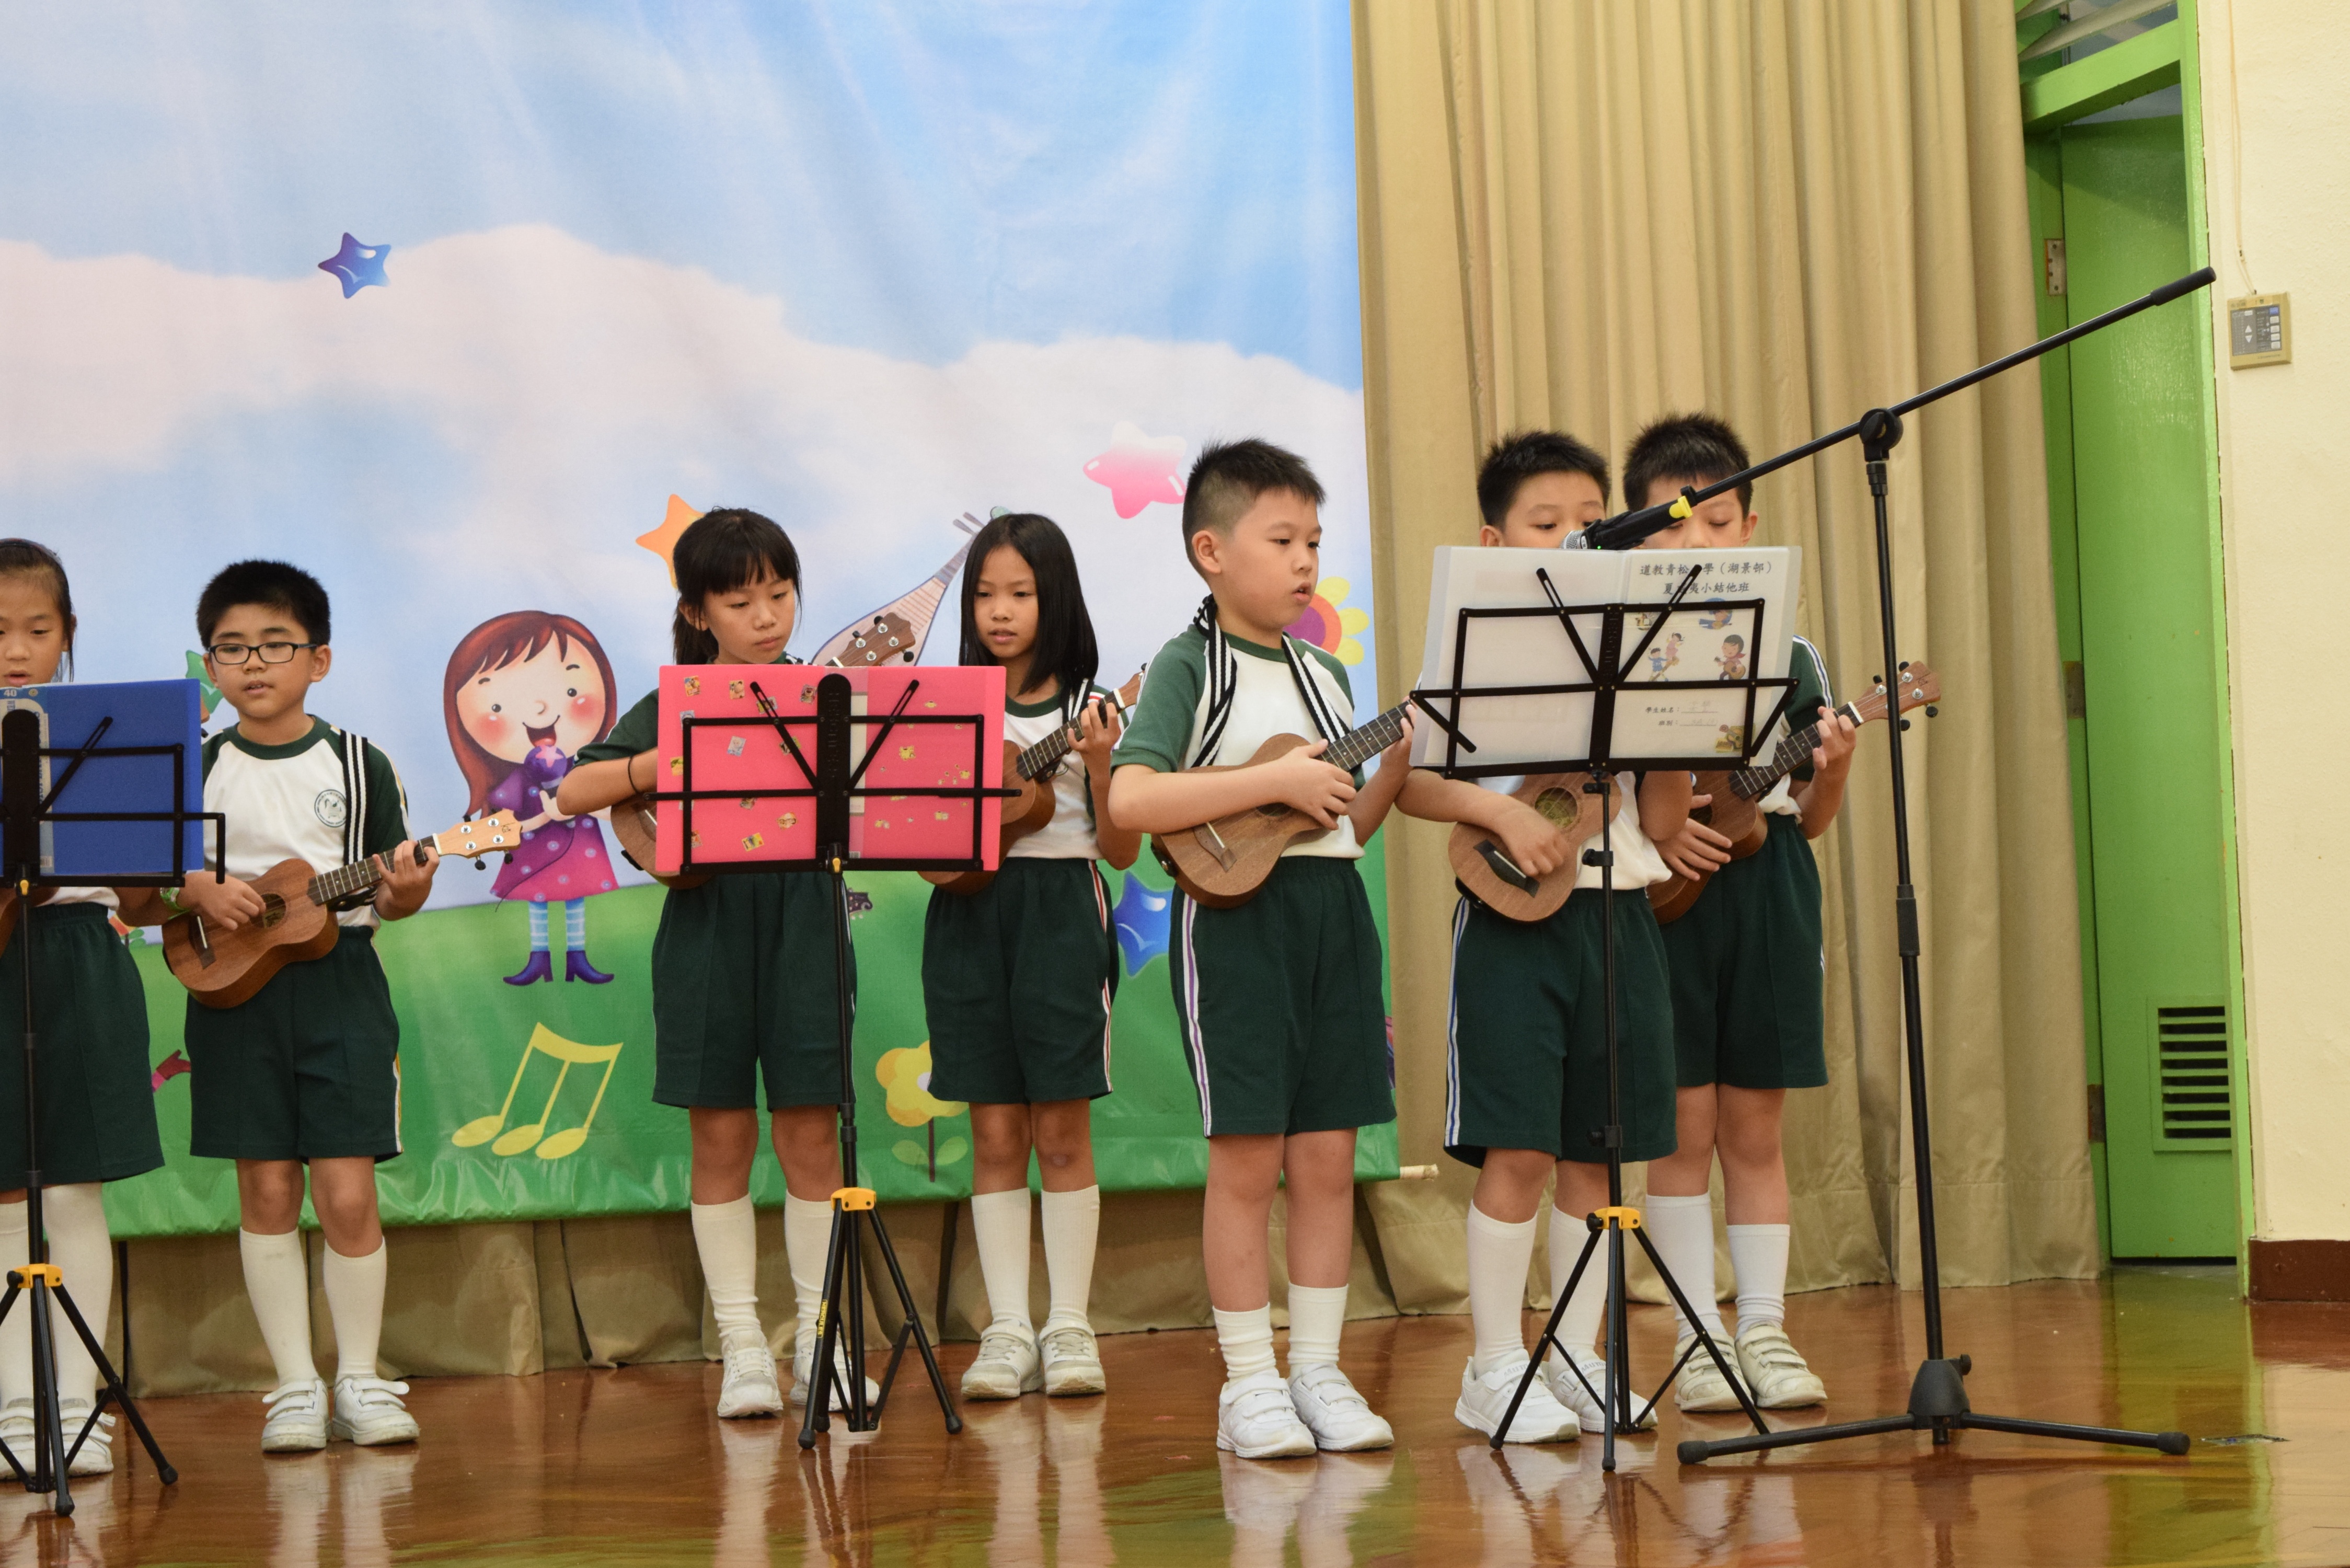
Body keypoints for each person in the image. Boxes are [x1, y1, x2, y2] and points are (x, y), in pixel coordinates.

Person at [1107, 439, 1413, 1461]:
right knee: (1246, 1159)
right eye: (1281, 540)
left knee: (1327, 1156)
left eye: (1314, 542)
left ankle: (1318, 1371)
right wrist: (1270, 782)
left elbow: (1340, 825)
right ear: (1210, 551)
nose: (1304, 561)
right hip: (1238, 927)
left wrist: (1392, 765)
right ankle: (1248, 1383)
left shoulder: (1328, 676)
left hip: (1334, 915)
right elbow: (1132, 798)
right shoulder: (1189, 665)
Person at [1397, 430, 1694, 1442]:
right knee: (1518, 1149)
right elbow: (1415, 782)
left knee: (1598, 1159)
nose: (1574, 538)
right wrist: (1499, 813)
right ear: (1494, 541)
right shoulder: (1475, 644)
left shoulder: (1635, 643)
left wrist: (1668, 727)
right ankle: (1491, 1368)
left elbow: (1664, 821)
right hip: (1513, 921)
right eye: (1547, 522)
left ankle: (1575, 1355)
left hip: (1620, 913)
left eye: (1590, 523)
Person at [557, 509, 872, 1422]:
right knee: (721, 1139)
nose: (766, 617)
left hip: (808, 921)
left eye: (780, 594)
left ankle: (822, 1343)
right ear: (698, 613)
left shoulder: (827, 695)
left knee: (812, 1137)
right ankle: (743, 1348)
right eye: (740, 602)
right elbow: (574, 789)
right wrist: (657, 766)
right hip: (707, 928)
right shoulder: (678, 700)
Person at [172, 559, 440, 1452]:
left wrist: (408, 887)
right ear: (211, 664)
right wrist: (199, 889)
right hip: (231, 996)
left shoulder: (360, 763)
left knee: (348, 1192)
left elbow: (395, 894)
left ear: (318, 659)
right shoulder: (196, 767)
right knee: (266, 1188)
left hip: (342, 988)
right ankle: (293, 1385)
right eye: (232, 648)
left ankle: (360, 1379)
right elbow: (154, 887)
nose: (254, 664)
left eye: (276, 645)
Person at [1624, 412, 1854, 1412]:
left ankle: (1764, 1328)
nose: (1699, 544)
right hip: (1664, 898)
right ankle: (1696, 1338)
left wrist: (1832, 771)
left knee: (1755, 1128)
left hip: (1770, 896)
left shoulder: (1792, 654)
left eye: (1718, 524)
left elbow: (1810, 818)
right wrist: (1660, 832)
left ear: (1751, 529)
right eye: (1673, 525)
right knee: (1680, 1128)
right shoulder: (1621, 649)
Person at [926, 513, 1138, 1403]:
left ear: (1056, 599)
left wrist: (1102, 763)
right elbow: (923, 825)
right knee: (993, 1132)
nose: (1000, 611)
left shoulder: (1091, 705)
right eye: (985, 594)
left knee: (1060, 1130)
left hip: (1061, 912)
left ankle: (1070, 1326)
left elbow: (1121, 851)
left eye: (1020, 593)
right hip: (967, 916)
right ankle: (1007, 1329)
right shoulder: (948, 706)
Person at [0, 539, 167, 1477]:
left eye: (38, 629)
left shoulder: (107, 737)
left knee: (73, 1190)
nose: (17, 650)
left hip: (81, 957)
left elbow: (140, 899)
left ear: (68, 635)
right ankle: (15, 1410)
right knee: (3, 1193)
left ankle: (77, 1407)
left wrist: (151, 866)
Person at [442, 610, 621, 984]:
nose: (540, 709)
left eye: (571, 692)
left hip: (579, 848)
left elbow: (609, 807)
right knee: (537, 903)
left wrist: (585, 804)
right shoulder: (519, 780)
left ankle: (577, 957)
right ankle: (538, 958)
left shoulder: (586, 767)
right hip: (533, 853)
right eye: (497, 706)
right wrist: (547, 815)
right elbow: (506, 825)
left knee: (575, 900)